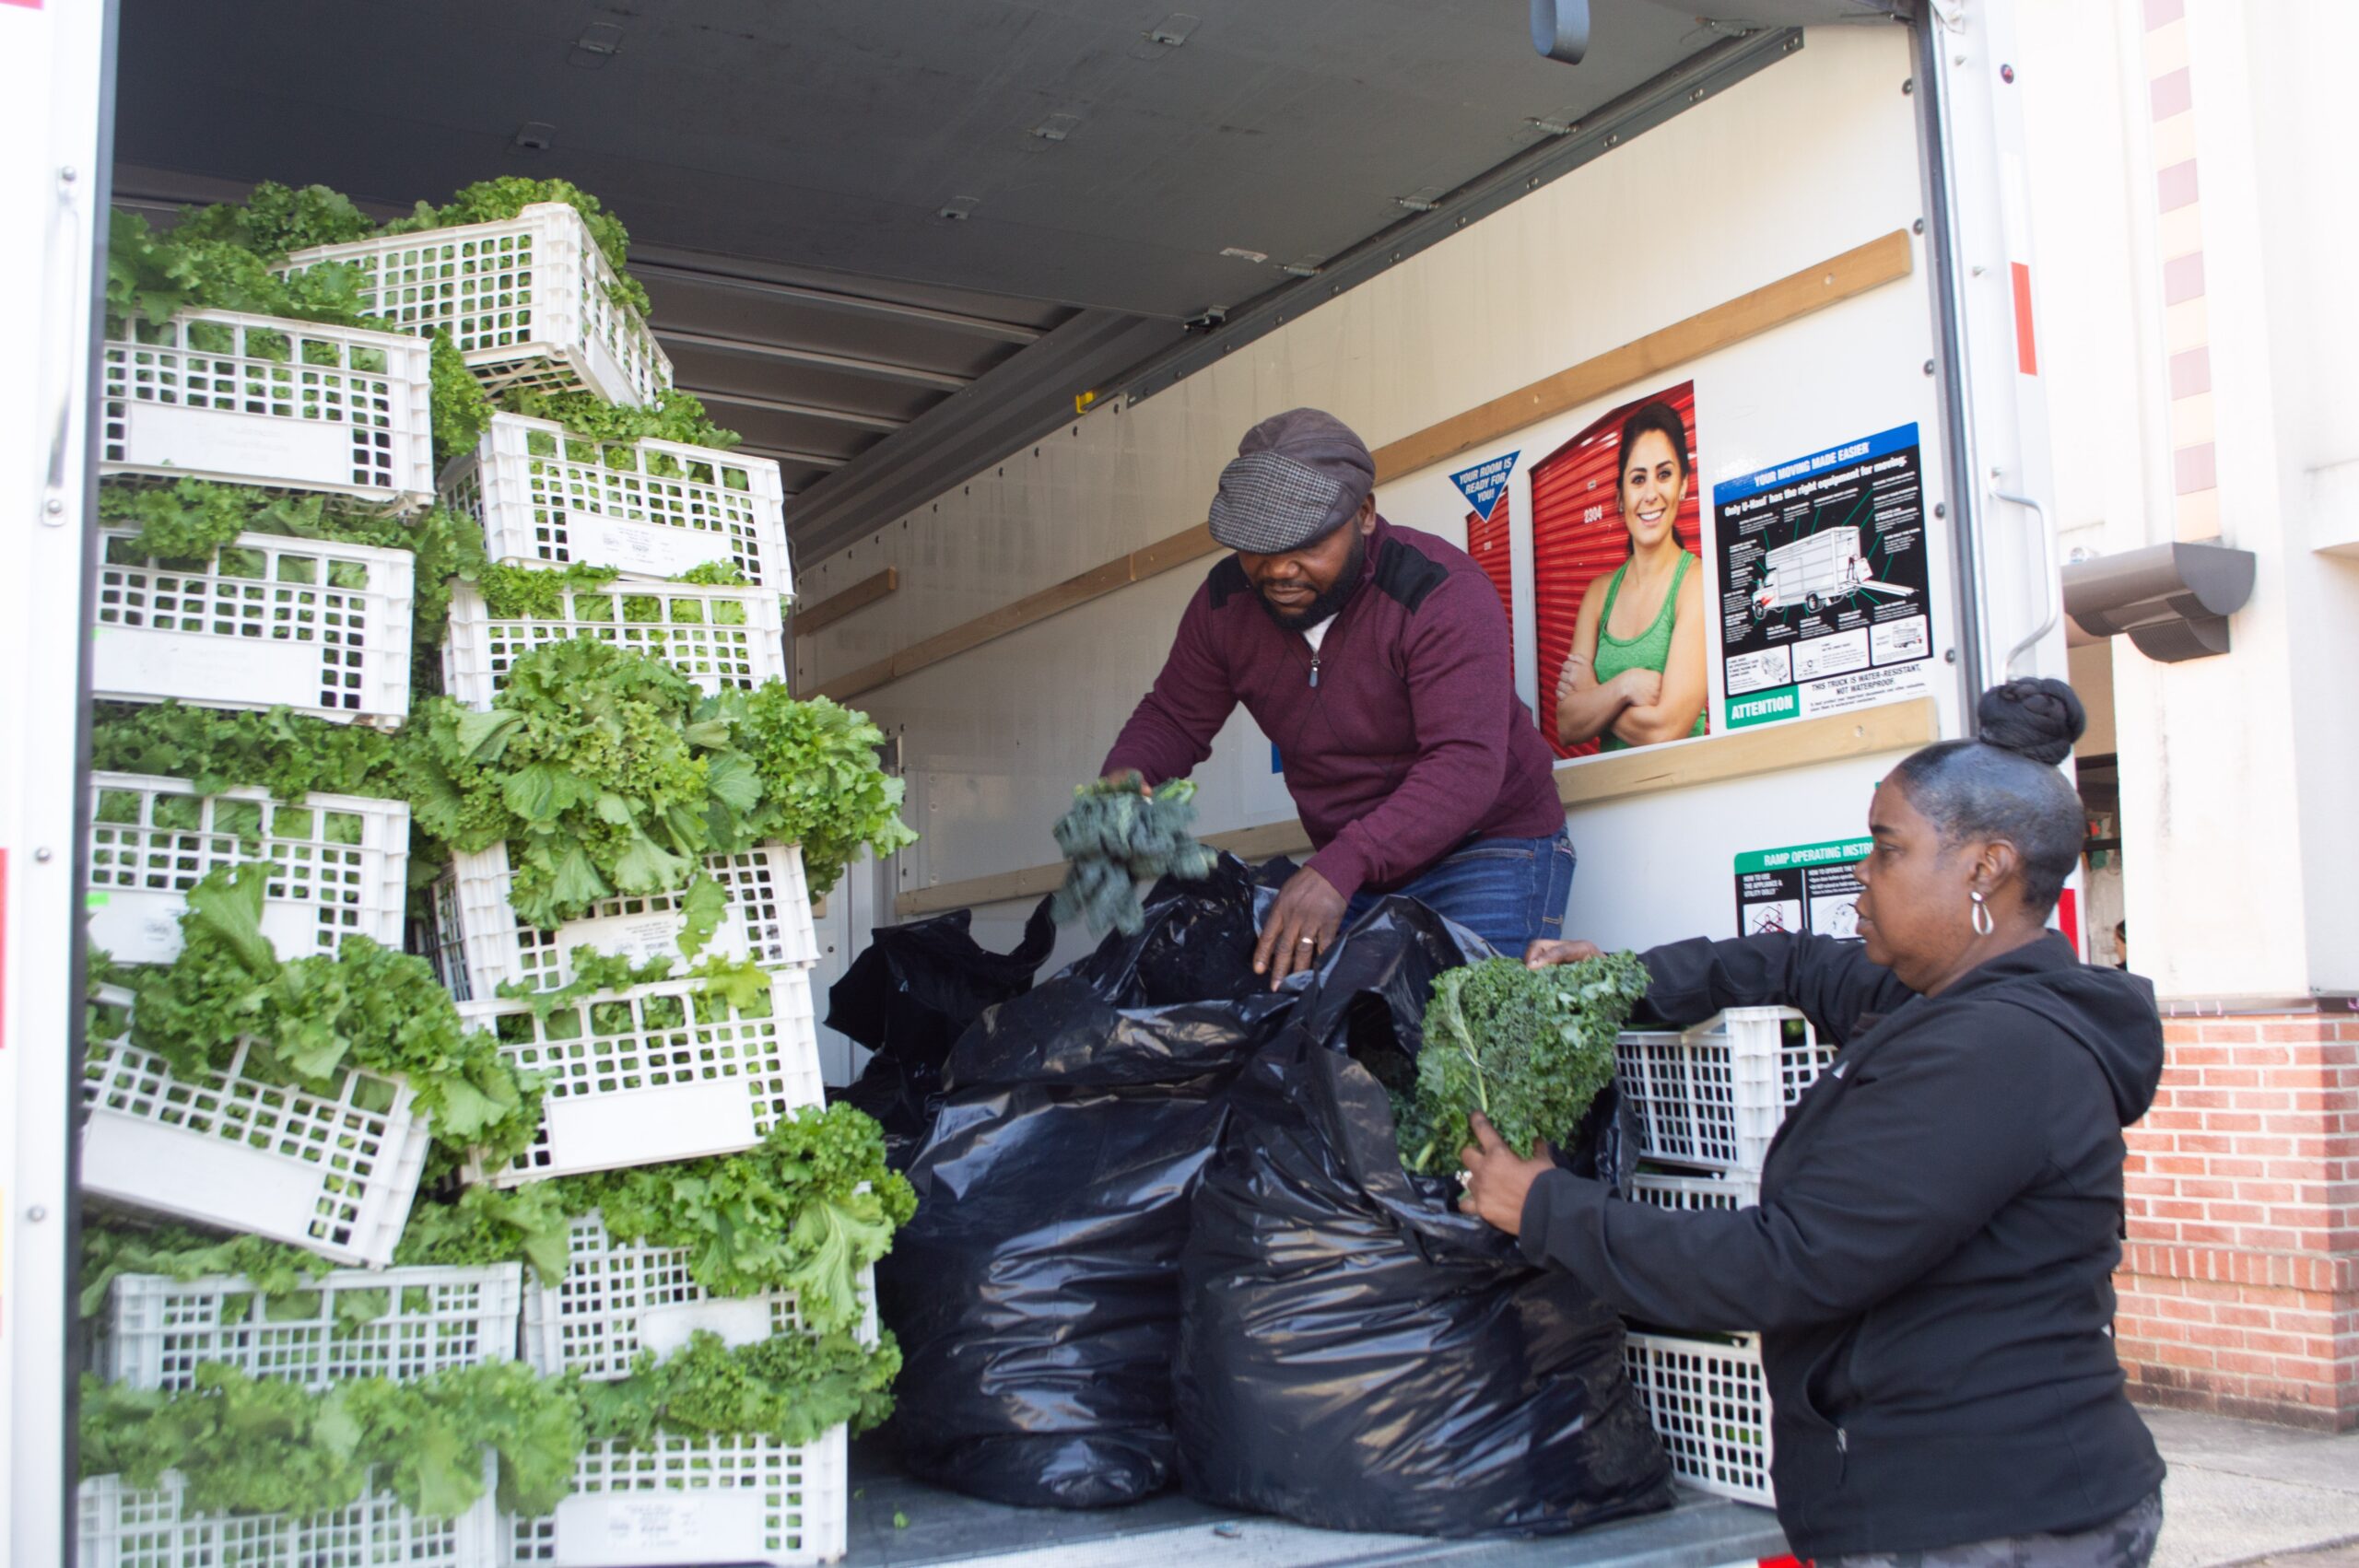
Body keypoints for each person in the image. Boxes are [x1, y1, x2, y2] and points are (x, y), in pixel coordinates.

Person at [1459, 678, 2165, 1567]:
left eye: (1886, 851)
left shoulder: (2000, 1052)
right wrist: (1621, 981)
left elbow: (1787, 1264)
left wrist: (1544, 1207)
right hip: (1932, 1509)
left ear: (1986, 868)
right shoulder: (1932, 996)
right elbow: (1793, 961)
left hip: (1993, 1522)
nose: (1861, 878)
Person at [1101, 407, 1569, 989]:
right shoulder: (1225, 604)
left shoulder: (1439, 593)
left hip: (1488, 852)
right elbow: (1174, 714)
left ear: (1365, 515)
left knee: (1454, 1042)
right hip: (1353, 868)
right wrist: (1127, 777)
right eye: (1257, 547)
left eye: (1305, 544)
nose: (1279, 569)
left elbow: (1464, 766)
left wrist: (1340, 867)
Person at [1553, 400, 1709, 751]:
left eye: (1664, 474)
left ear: (1683, 485)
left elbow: (1665, 728)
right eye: (1638, 479)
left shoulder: (1696, 583)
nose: (1651, 493)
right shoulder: (1598, 595)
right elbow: (1566, 723)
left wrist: (1593, 695)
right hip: (1614, 802)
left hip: (1682, 799)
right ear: (1621, 496)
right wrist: (1625, 686)